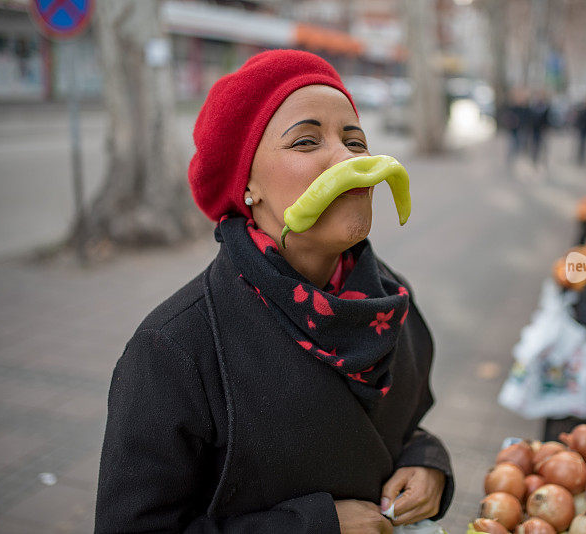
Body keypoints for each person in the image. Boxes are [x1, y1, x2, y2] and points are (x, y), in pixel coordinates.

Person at [95, 49, 454, 534]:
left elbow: (405, 428)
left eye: (355, 140)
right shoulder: (175, 348)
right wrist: (314, 526)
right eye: (306, 142)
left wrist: (428, 462)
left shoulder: (390, 301)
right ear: (247, 185)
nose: (347, 159)